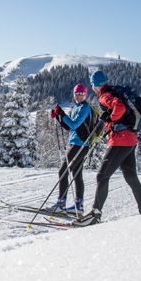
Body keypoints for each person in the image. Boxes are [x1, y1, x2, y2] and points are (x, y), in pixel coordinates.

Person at [85, 70, 141, 225]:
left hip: (120, 140)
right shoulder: (113, 91)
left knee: (102, 176)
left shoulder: (105, 95)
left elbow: (118, 106)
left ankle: (95, 213)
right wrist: (110, 119)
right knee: (131, 176)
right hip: (130, 139)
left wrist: (111, 118)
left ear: (96, 85)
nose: (93, 88)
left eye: (93, 85)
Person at [48, 83, 93, 213]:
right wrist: (58, 116)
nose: (79, 96)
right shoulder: (76, 108)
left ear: (86, 95)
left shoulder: (85, 108)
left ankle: (61, 204)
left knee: (63, 171)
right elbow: (69, 127)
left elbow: (74, 125)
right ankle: (78, 206)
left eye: (81, 94)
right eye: (77, 94)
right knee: (77, 174)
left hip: (80, 144)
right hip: (77, 144)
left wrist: (62, 114)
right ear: (73, 95)